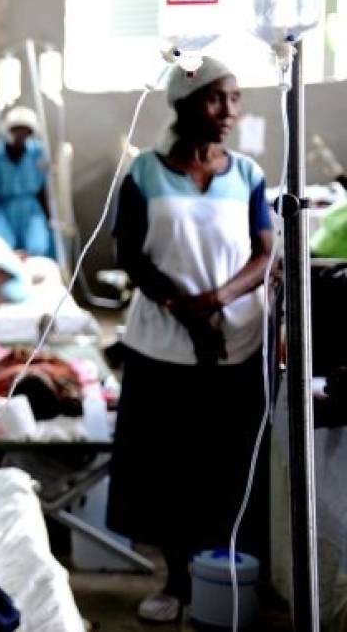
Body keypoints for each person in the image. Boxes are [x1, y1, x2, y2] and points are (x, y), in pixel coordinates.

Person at [106, 57, 273, 623]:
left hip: (234, 342)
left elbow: (264, 253)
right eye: (215, 98)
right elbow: (130, 254)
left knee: (226, 464)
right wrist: (183, 309)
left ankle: (225, 573)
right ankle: (176, 580)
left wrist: (216, 301)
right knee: (166, 467)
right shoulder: (145, 172)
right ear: (184, 103)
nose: (228, 110)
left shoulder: (246, 174)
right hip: (162, 345)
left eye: (235, 98)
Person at [0, 106, 54, 256]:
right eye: (16, 130)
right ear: (7, 130)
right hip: (3, 208)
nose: (20, 135)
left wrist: (49, 218)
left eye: (25, 131)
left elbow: (42, 188)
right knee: (1, 247)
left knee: (38, 246)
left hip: (31, 209)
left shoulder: (37, 152)